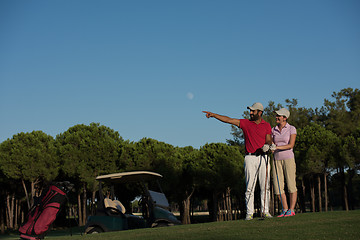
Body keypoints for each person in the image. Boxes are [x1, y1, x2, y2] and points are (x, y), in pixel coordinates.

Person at [203, 102, 272, 220]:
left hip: (264, 157)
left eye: (253, 111)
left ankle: (265, 211)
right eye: (250, 111)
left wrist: (268, 145)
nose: (250, 113)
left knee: (265, 187)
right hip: (250, 158)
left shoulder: (266, 125)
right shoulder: (245, 123)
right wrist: (214, 115)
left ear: (260, 112)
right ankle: (249, 213)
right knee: (250, 187)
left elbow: (269, 139)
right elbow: (229, 120)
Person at [271, 108, 297, 217]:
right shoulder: (273, 130)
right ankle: (285, 209)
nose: (276, 117)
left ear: (285, 118)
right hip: (276, 159)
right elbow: (271, 142)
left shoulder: (291, 129)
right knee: (278, 187)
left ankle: (291, 209)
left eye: (279, 115)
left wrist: (277, 147)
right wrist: (271, 146)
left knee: (291, 185)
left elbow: (291, 145)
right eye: (276, 115)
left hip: (288, 159)